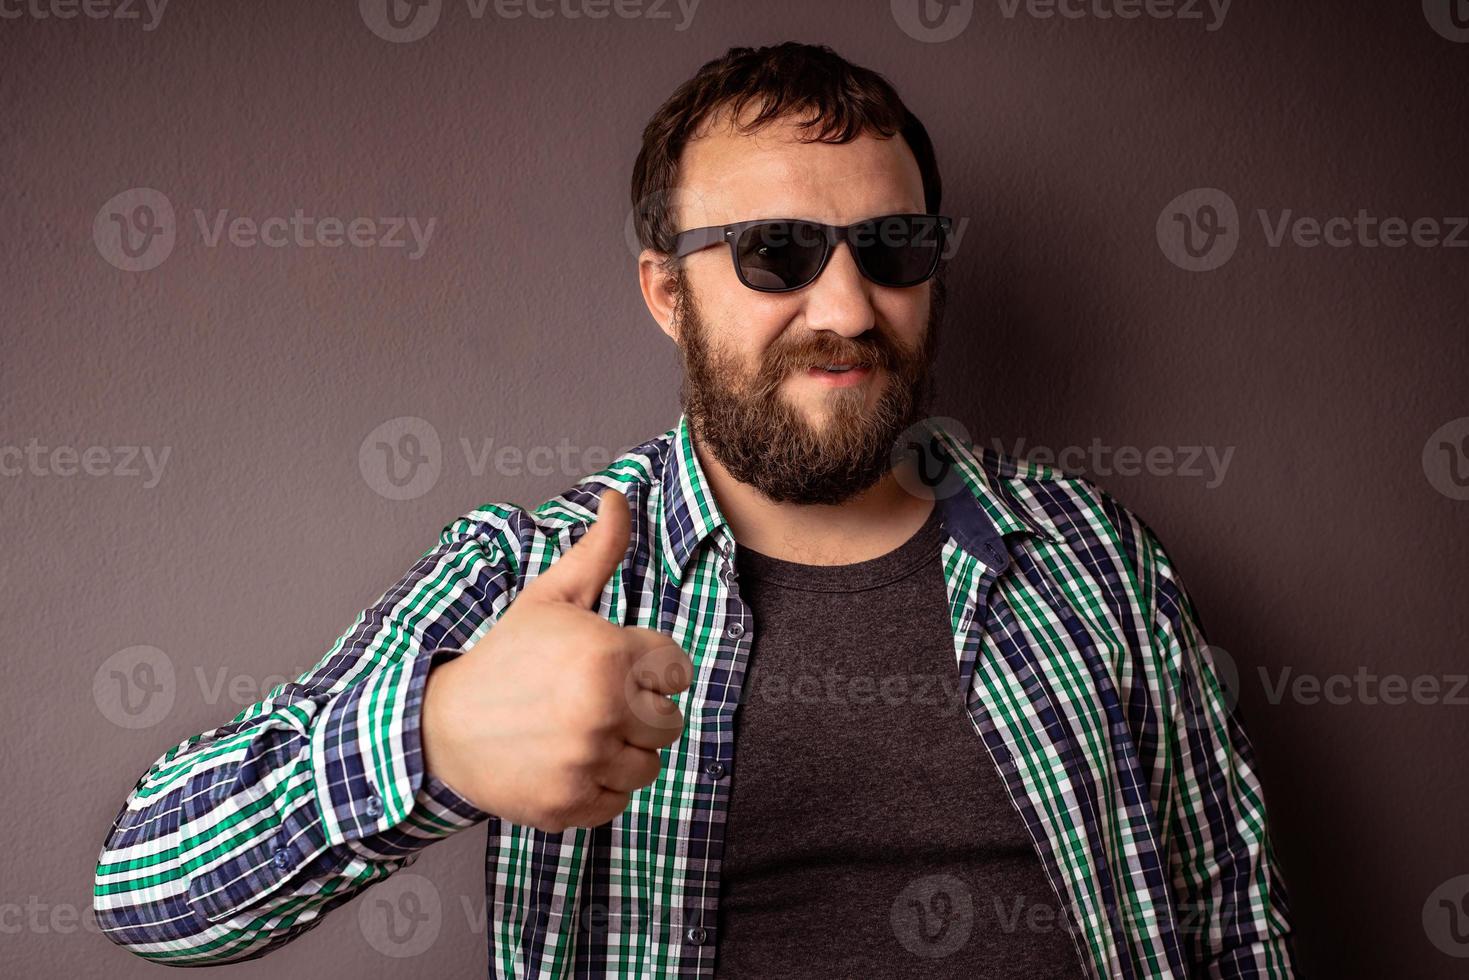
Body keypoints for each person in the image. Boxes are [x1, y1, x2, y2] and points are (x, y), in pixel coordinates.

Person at [93, 41, 1296, 978]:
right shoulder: (536, 571)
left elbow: (1230, 920)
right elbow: (147, 883)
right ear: (667, 293)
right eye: (774, 252)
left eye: (890, 247)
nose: (846, 306)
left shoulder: (1092, 557)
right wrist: (437, 740)